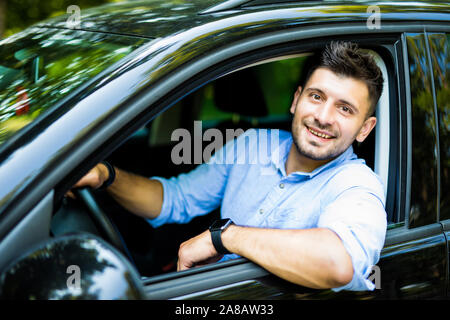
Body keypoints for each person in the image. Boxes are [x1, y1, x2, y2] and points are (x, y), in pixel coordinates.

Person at [70, 41, 387, 292]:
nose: (323, 116)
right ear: (296, 100)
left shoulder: (357, 185)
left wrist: (224, 237)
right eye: (317, 97)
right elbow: (175, 199)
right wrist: (106, 175)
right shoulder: (251, 144)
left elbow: (338, 263)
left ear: (364, 129)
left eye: (345, 109)